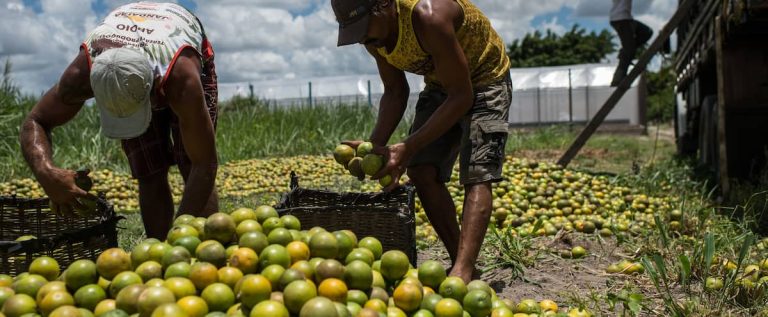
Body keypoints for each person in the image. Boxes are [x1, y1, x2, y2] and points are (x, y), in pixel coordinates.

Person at [331, 0, 512, 282]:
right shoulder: (372, 36)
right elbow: (394, 91)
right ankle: (460, 262)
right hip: (443, 85)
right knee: (421, 170)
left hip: (486, 80)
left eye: (364, 27)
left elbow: (462, 96)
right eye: (356, 31)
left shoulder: (428, 16)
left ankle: (462, 271)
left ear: (385, 5)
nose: (363, 38)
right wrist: (375, 147)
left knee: (477, 174)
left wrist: (408, 146)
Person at [20, 2, 219, 239]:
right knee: (148, 169)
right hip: (130, 39)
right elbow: (35, 121)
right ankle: (156, 244)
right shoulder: (79, 77)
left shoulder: (182, 78)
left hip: (174, 36)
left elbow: (203, 165)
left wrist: (179, 236)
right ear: (94, 89)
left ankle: (208, 247)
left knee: (190, 161)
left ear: (155, 87)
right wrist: (46, 172)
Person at [610, 0, 653, 87]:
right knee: (629, 50)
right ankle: (617, 80)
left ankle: (626, 50)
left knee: (647, 32)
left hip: (626, 19)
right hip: (621, 19)